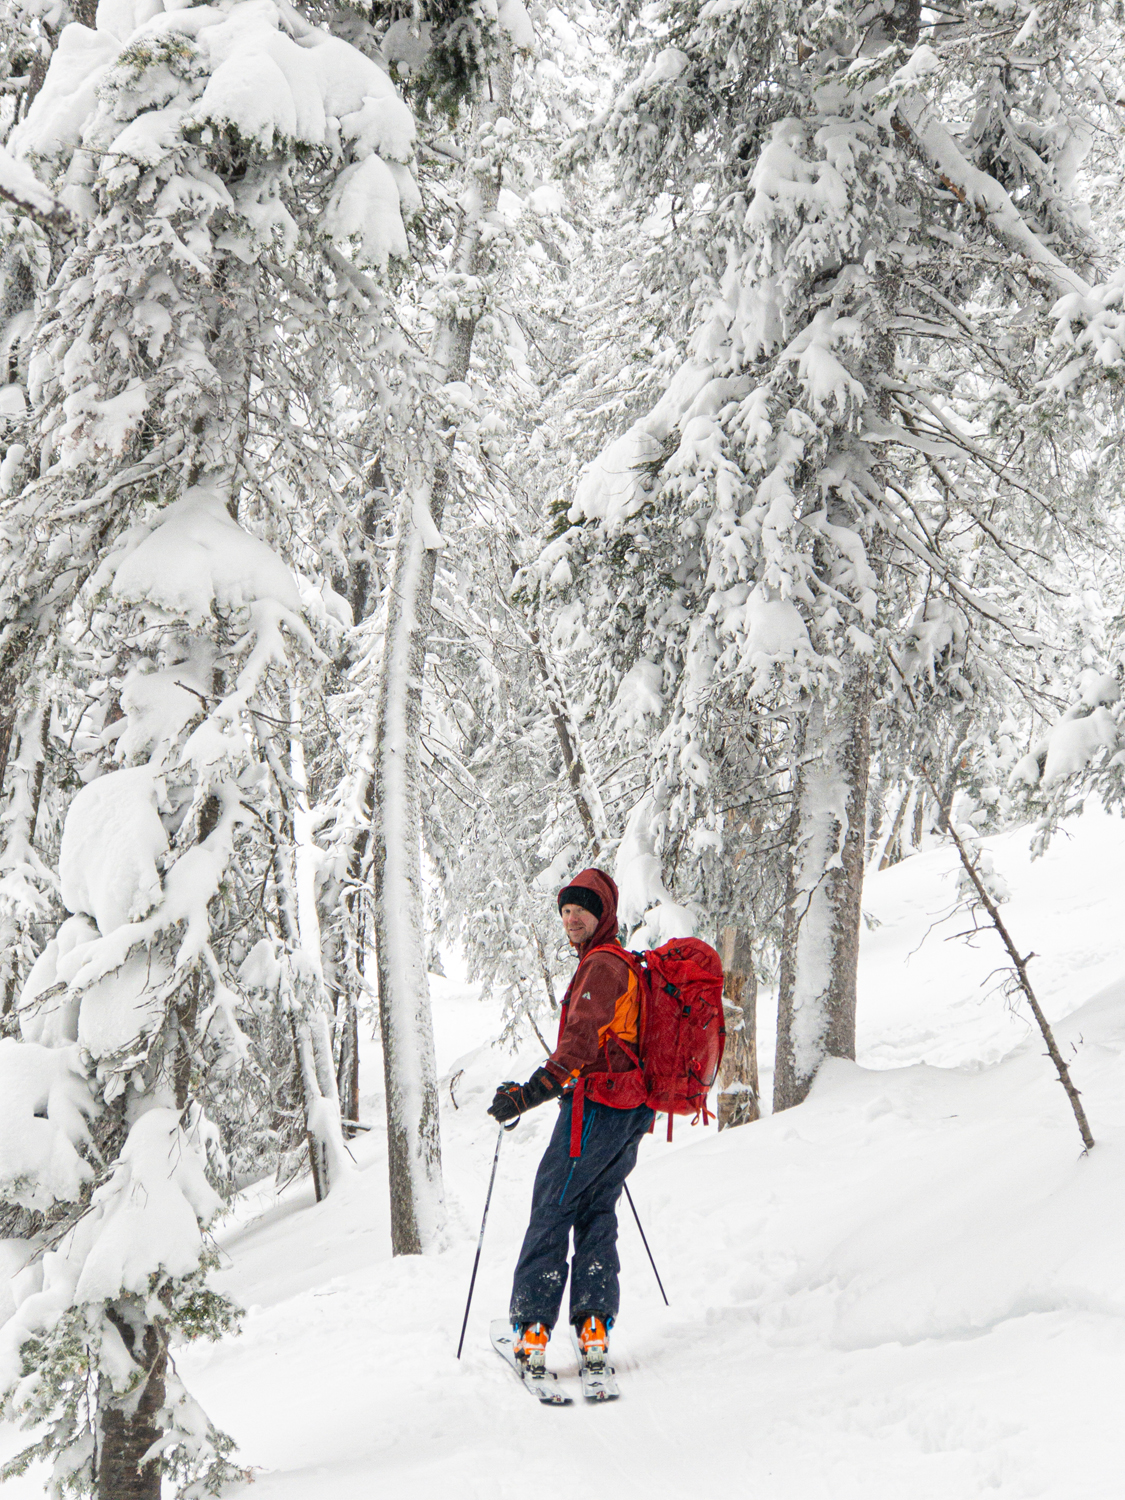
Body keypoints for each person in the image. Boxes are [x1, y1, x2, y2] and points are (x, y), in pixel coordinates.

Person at [488, 868, 654, 1374]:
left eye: (582, 907)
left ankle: (532, 1332)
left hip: (599, 1110)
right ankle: (594, 1329)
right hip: (629, 1113)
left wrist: (527, 1095)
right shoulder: (621, 962)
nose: (572, 917)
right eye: (565, 909)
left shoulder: (603, 965)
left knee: (552, 1208)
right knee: (596, 1210)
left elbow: (579, 1045)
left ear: (602, 914)